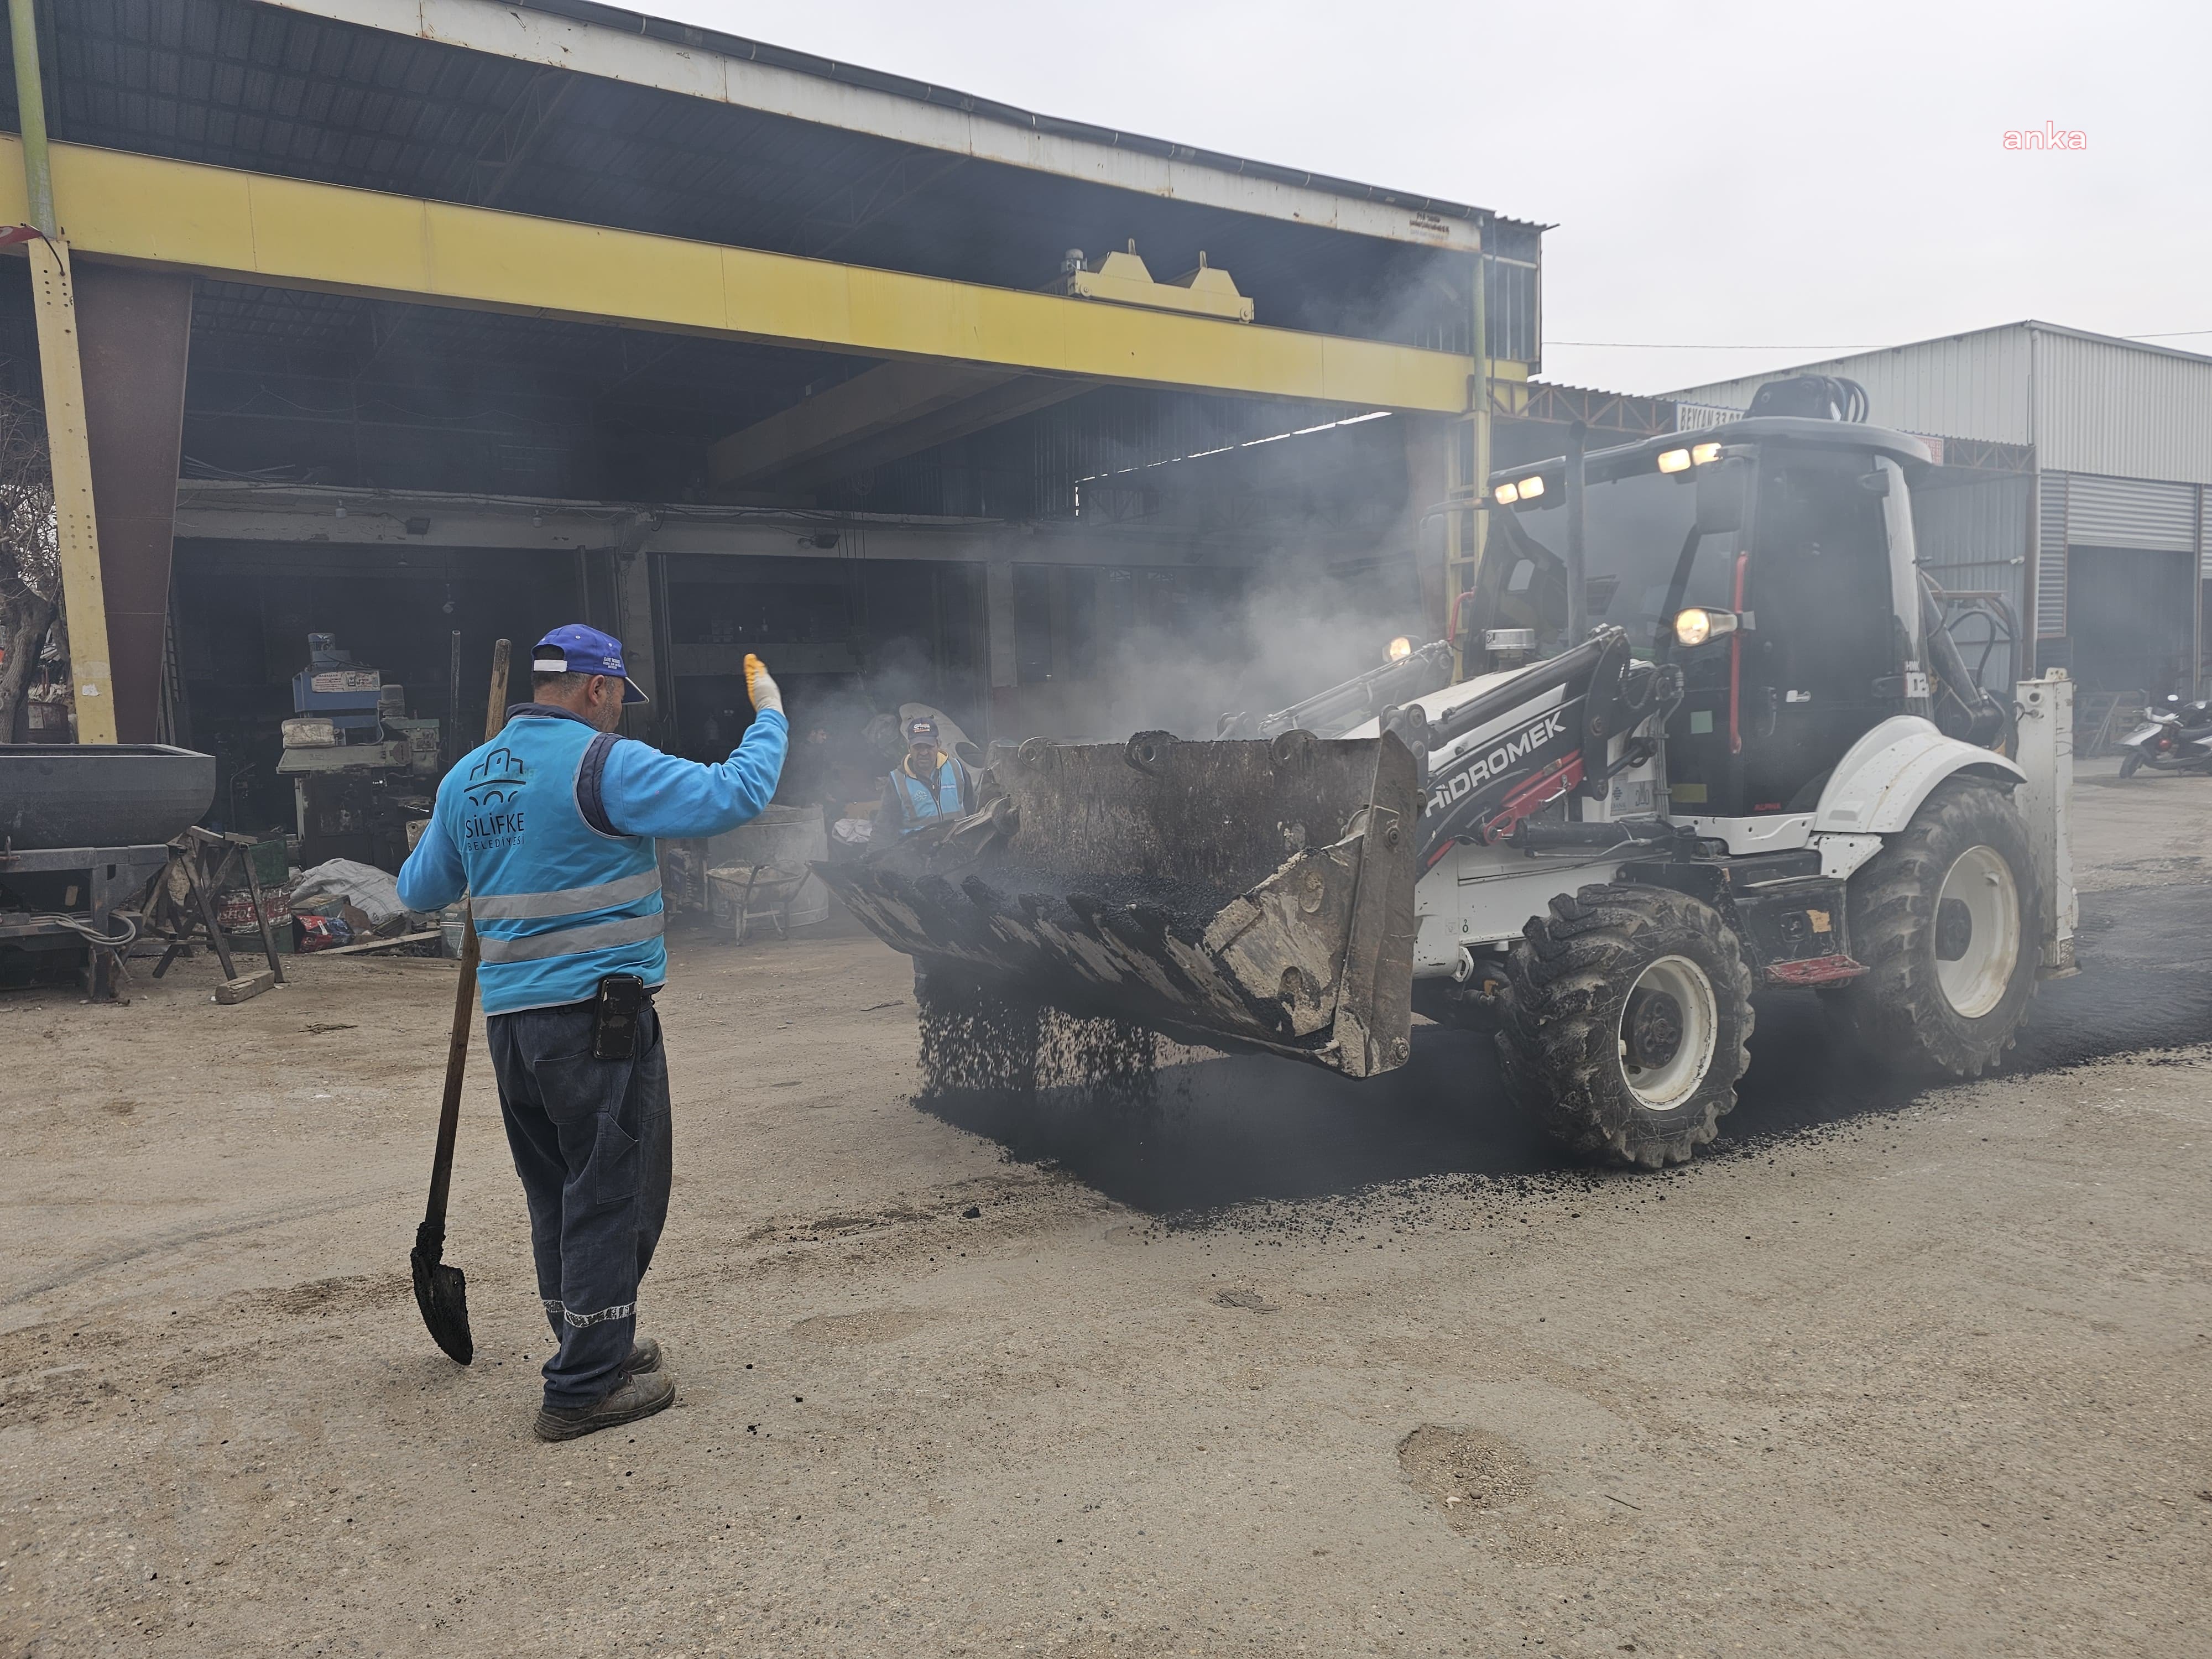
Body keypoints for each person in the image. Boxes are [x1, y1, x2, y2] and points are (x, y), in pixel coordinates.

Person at [397, 623, 787, 1441]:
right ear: (597, 689)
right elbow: (735, 795)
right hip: (597, 1021)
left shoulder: (469, 775)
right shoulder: (603, 764)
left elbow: (417, 887)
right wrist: (771, 715)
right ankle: (585, 1387)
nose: (618, 715)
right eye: (617, 699)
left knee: (558, 1190)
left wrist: (484, 826)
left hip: (514, 1032)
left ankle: (590, 1337)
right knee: (615, 1189)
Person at [879, 713, 974, 838]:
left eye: (929, 747)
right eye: (918, 747)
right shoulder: (897, 780)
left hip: (957, 847)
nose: (924, 752)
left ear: (938, 745)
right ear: (909, 747)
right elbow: (883, 828)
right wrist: (873, 856)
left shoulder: (957, 769)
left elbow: (972, 811)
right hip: (916, 853)